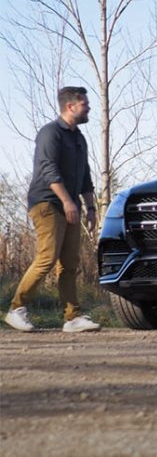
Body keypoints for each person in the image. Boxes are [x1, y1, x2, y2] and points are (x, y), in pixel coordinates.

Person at [4, 86, 101, 333]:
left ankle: (72, 317)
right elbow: (48, 169)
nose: (89, 108)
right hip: (47, 202)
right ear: (70, 106)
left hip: (71, 205)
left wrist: (91, 207)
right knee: (47, 258)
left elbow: (85, 176)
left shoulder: (79, 138)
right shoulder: (50, 133)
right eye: (85, 104)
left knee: (69, 263)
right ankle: (16, 309)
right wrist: (68, 202)